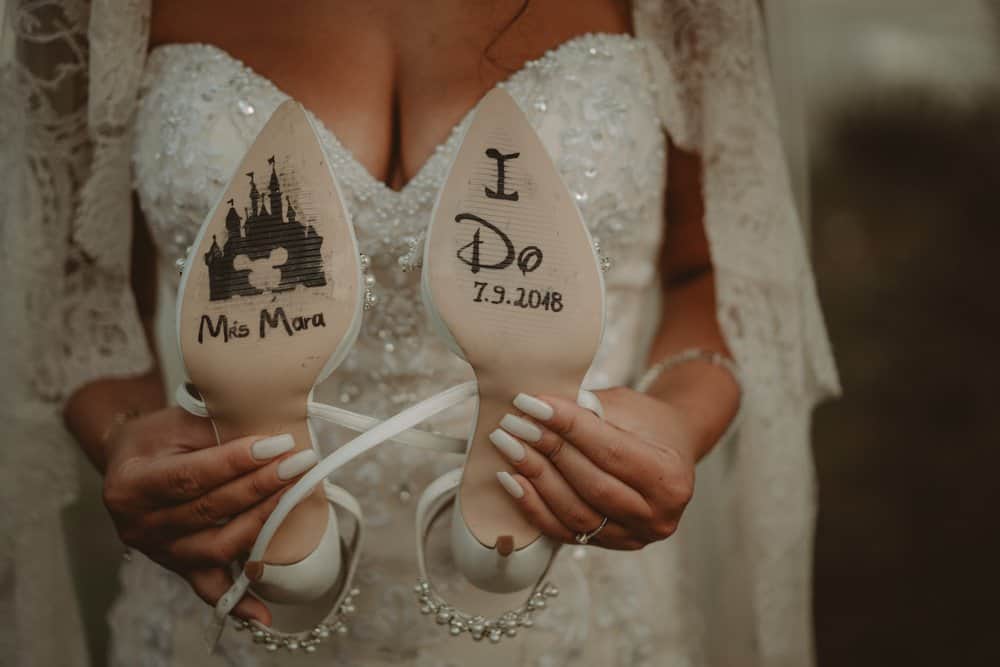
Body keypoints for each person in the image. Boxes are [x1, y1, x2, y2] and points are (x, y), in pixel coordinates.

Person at [0, 1, 840, 665]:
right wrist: (123, 439)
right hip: (231, 602)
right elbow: (73, 288)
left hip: (576, 614)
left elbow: (718, 268)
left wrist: (676, 423)